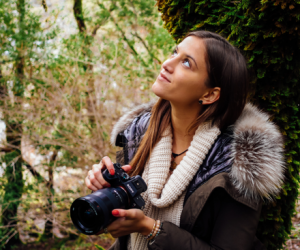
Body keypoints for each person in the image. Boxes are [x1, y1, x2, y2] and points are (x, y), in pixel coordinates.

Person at [85, 30, 285, 250]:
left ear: (209, 95)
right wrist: (104, 191)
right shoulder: (138, 133)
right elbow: (120, 228)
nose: (167, 64)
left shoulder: (236, 163)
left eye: (187, 63)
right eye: (174, 52)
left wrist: (150, 229)